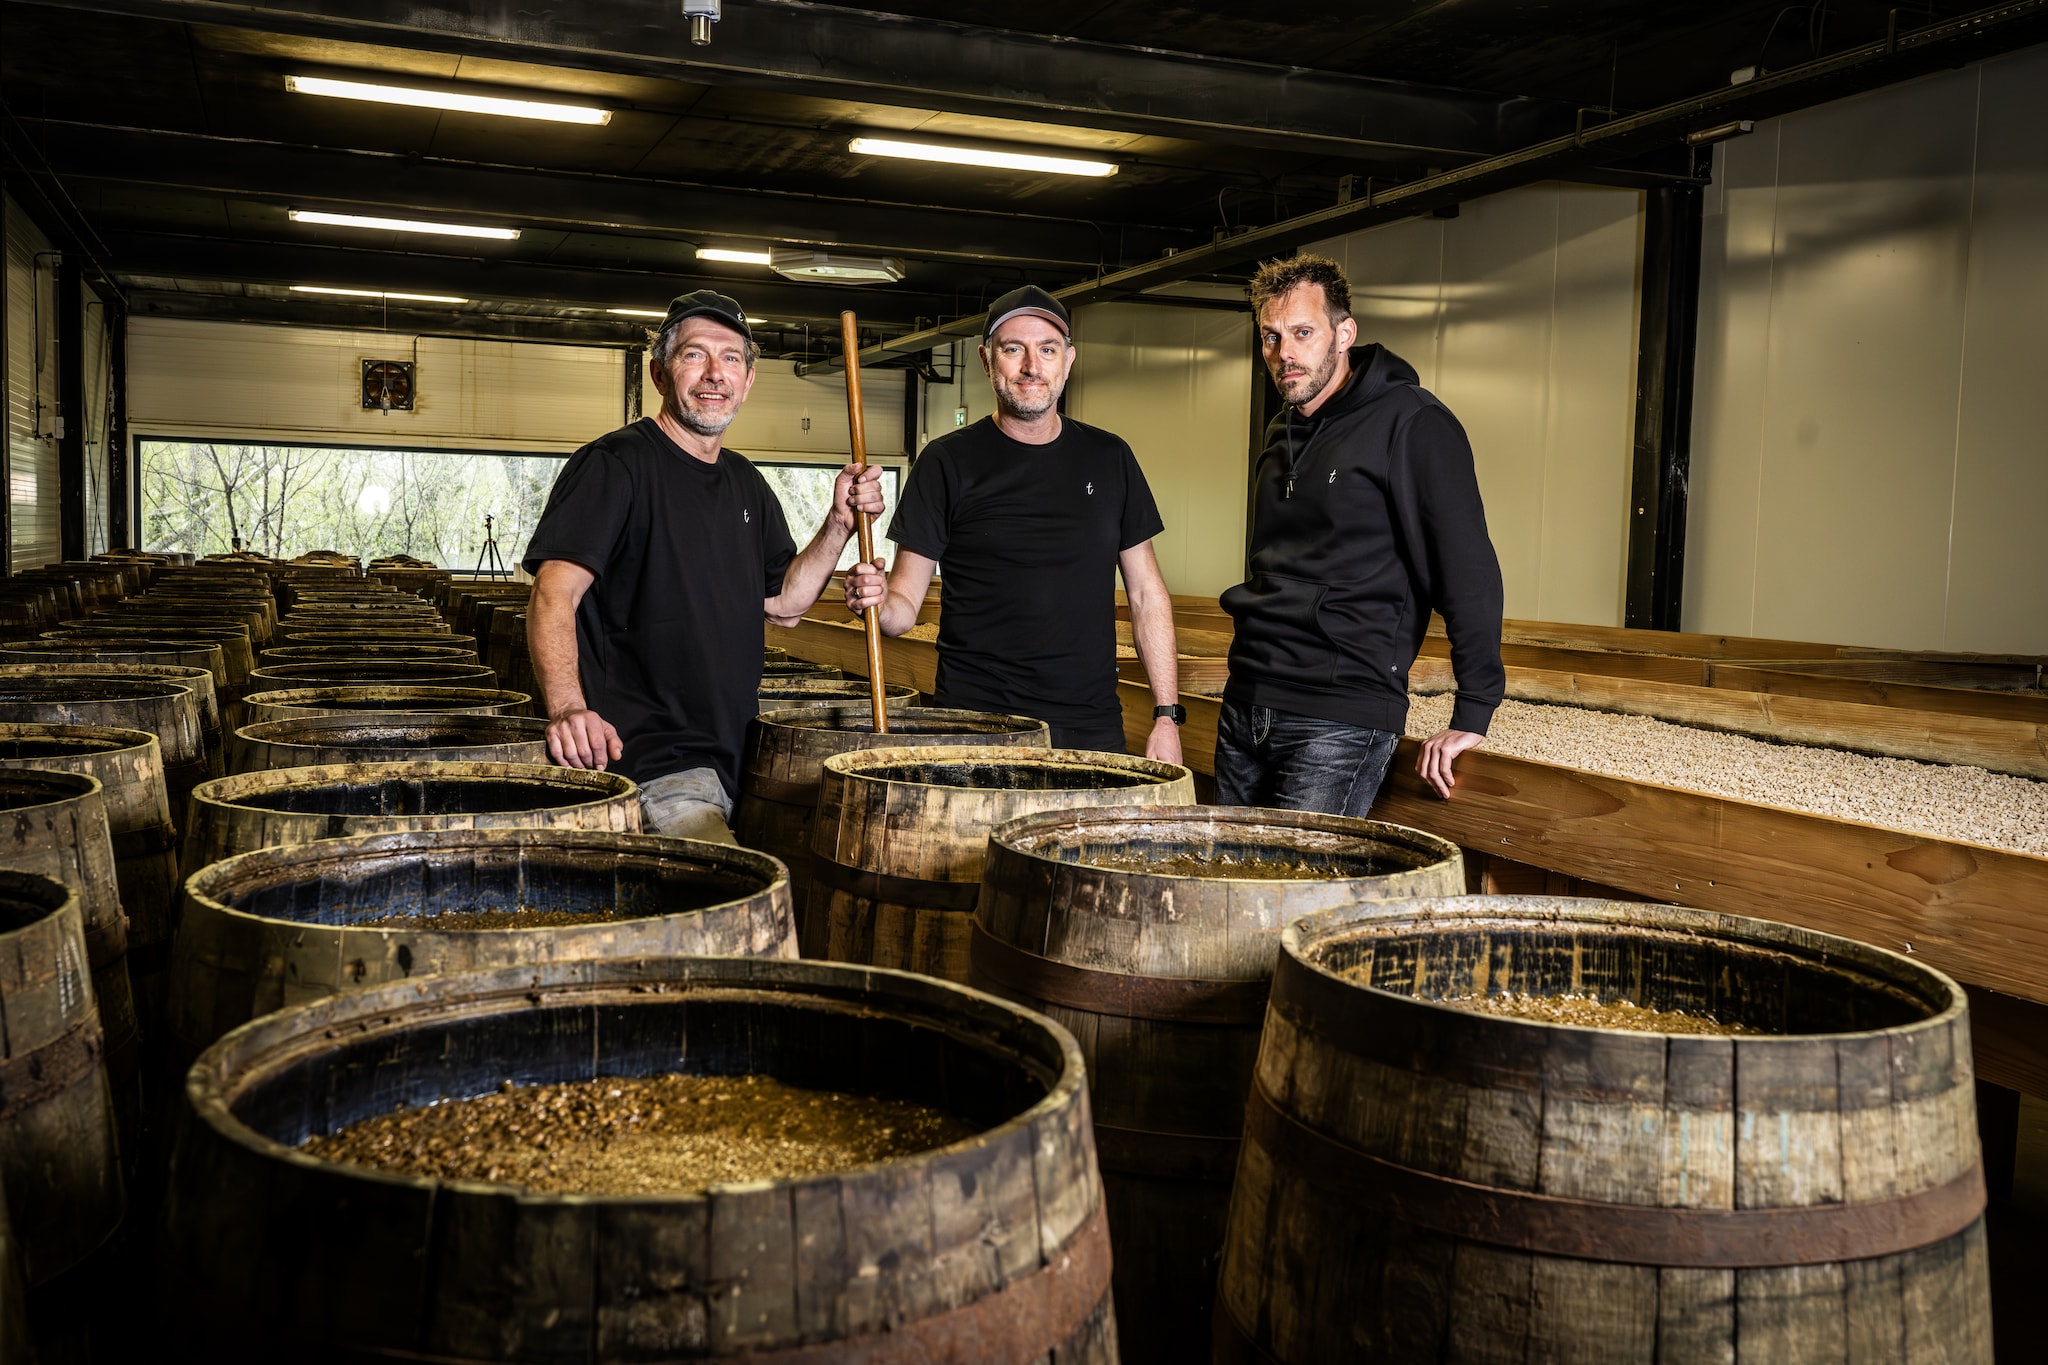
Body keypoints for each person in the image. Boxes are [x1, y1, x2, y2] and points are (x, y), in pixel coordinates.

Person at [523, 289, 883, 841]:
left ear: (749, 380)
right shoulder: (616, 465)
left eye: (731, 358)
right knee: (743, 911)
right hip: (650, 762)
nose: (715, 373)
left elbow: (785, 603)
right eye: (695, 355)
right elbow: (554, 593)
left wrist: (838, 522)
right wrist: (569, 709)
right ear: (660, 374)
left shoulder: (746, 484)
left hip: (738, 761)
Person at [842, 285, 1184, 760]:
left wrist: (1167, 716)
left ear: (1068, 360)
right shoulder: (946, 462)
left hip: (1089, 727)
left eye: (1047, 350)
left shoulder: (1110, 458)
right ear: (986, 360)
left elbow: (1147, 593)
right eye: (1013, 349)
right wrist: (876, 600)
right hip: (976, 726)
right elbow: (902, 608)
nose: (1031, 366)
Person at [1216, 253, 1504, 814]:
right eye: (1271, 337)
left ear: (1344, 333)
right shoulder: (1281, 429)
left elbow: (1466, 566)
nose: (1285, 354)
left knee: (1295, 898)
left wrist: (1474, 711)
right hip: (1246, 701)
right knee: (1229, 894)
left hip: (1340, 714)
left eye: (1303, 333)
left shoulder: (1413, 423)